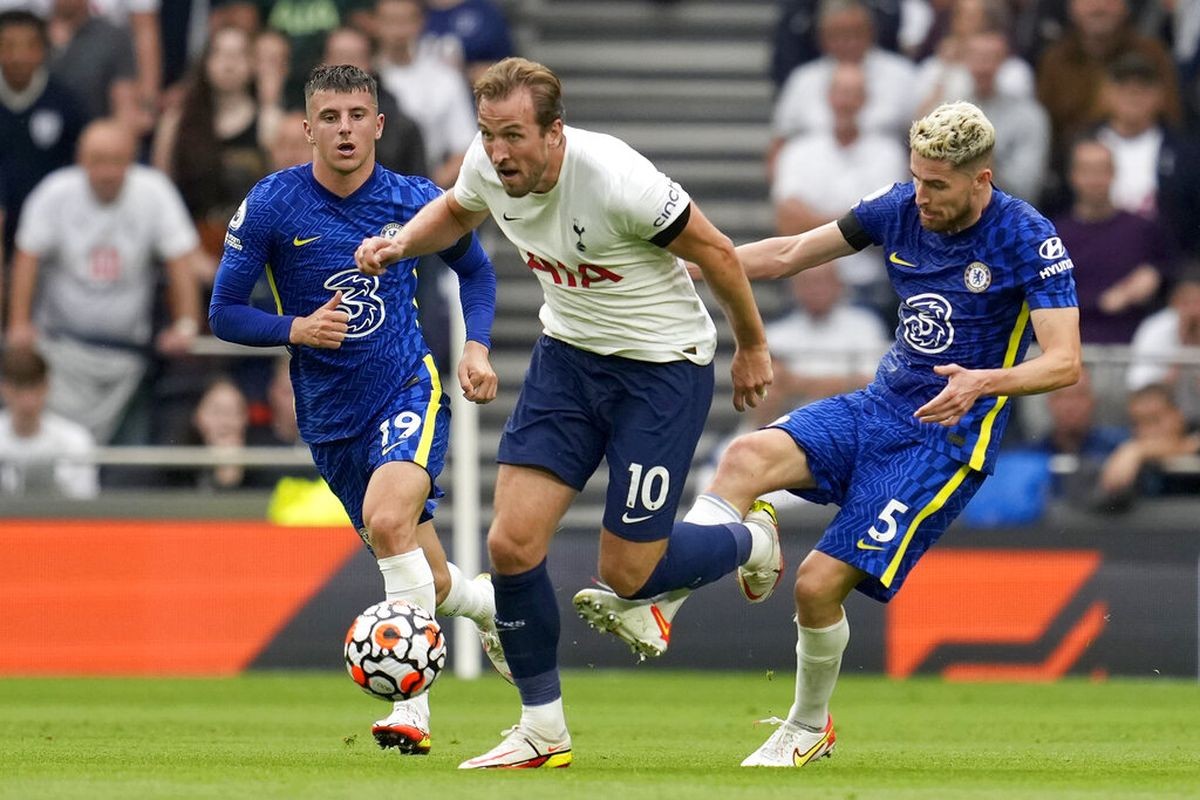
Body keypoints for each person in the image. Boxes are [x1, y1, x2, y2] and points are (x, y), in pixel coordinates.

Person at [575, 101, 1081, 767]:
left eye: (938, 186)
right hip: (877, 407)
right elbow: (787, 253)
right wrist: (684, 268)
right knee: (747, 455)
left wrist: (985, 381)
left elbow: (1063, 361)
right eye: (916, 178)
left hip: (942, 442)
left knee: (816, 585)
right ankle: (669, 598)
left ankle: (809, 726)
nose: (921, 196)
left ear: (980, 180)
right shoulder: (897, 207)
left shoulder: (1027, 237)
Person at [354, 56, 774, 769]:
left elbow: (720, 254)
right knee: (510, 545)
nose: (499, 151)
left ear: (556, 131)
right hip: (568, 360)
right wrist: (400, 245)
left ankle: (750, 541)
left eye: (514, 134)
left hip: (661, 369)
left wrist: (752, 346)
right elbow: (457, 210)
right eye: (489, 134)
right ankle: (542, 729)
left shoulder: (618, 181)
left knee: (629, 575)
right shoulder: (489, 166)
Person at [207, 64, 507, 756]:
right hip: (328, 417)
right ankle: (486, 604)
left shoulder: (415, 200)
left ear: (378, 124)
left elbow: (477, 270)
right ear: (307, 129)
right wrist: (295, 329)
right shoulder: (273, 204)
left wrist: (479, 348)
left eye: (356, 115)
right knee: (423, 573)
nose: (344, 129)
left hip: (406, 386)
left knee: (387, 516)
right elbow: (223, 310)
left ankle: (413, 711)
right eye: (330, 117)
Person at [6, 118, 203, 445]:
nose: (108, 172)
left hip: (127, 355)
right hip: (59, 351)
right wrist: (18, 323)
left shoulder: (154, 191)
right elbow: (27, 257)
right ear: (81, 160)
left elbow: (180, 258)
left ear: (131, 160)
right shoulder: (54, 192)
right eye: (98, 161)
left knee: (127, 462)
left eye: (117, 161)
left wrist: (185, 323)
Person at [0, 345, 97, 498]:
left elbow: (84, 506)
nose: (28, 400)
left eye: (34, 387)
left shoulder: (75, 440)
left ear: (46, 386)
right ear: (4, 389)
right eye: (19, 389)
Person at [1099, 382, 1200, 502]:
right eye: (1137, 423)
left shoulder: (1134, 450)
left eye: (1154, 420)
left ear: (1178, 416)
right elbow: (1115, 483)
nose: (1146, 432)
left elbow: (1189, 444)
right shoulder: (1125, 445)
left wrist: (1138, 450)